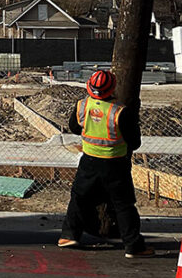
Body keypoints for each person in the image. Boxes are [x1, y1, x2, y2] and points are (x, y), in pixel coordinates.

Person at [58, 69, 154, 258]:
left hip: (89, 161)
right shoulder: (120, 112)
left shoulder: (82, 106)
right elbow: (134, 142)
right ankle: (133, 246)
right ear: (112, 88)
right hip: (115, 164)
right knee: (123, 205)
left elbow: (74, 127)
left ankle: (69, 235)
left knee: (79, 198)